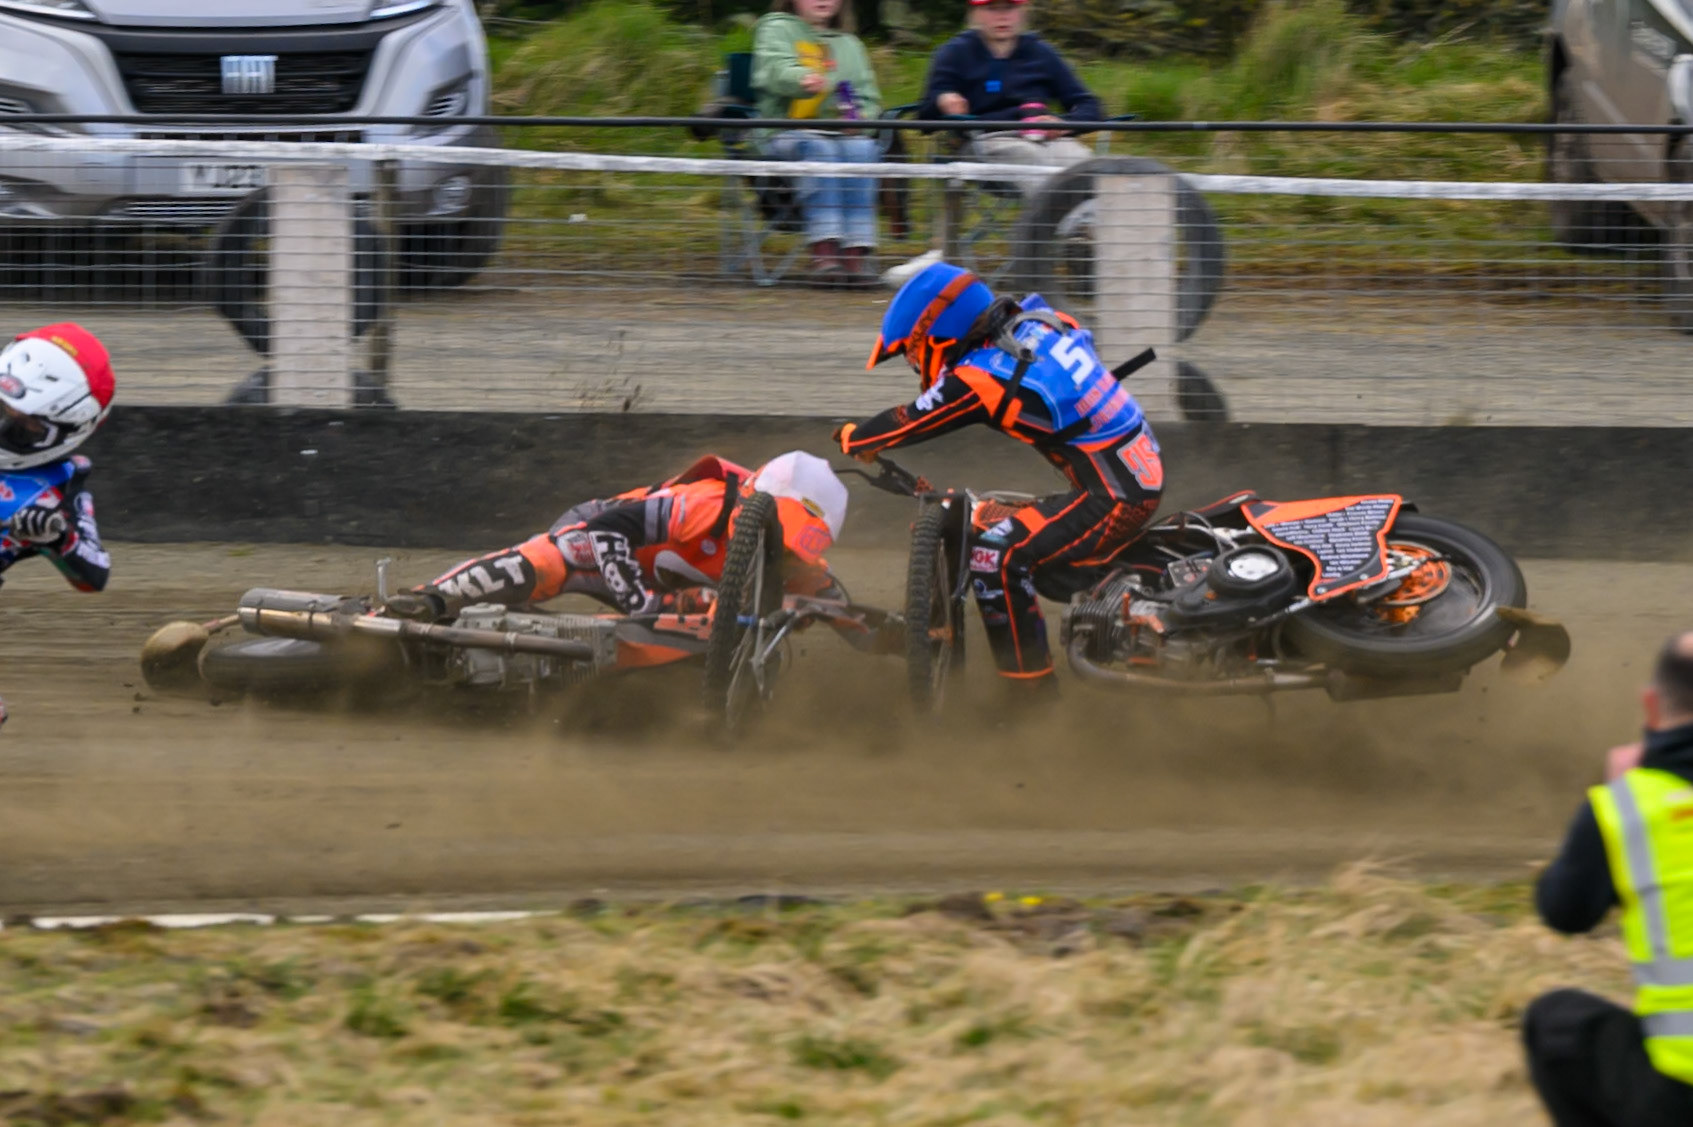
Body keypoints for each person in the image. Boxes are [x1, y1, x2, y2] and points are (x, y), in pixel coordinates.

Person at [834, 260, 1160, 693]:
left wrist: (856, 437)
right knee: (985, 519)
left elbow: (910, 420)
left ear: (939, 335)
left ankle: (1031, 694)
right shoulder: (1041, 321)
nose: (915, 365)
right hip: (1129, 469)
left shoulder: (982, 376)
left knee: (996, 556)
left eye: (914, 353)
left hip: (1115, 495)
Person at [1525, 631, 1693, 1126]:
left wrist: (1623, 794)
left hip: (1680, 1091)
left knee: (1555, 1023)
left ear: (1651, 707)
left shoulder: (1630, 809)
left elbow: (1564, 912)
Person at [384, 451, 853, 623]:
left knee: (710, 618)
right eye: (783, 531)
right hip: (601, 539)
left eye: (798, 544)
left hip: (661, 597)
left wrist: (894, 635)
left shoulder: (804, 567)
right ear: (754, 500)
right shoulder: (706, 504)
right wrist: (642, 605)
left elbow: (849, 614)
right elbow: (606, 530)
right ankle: (429, 601)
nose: (784, 550)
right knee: (554, 556)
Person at [0, 323, 116, 730]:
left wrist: (58, 537)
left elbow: (95, 575)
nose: (7, 426)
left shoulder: (60, 495)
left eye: (25, 425)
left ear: (68, 429)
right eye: (4, 412)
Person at [753, 0, 884, 286]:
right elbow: (775, 69)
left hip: (841, 135)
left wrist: (861, 118)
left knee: (864, 149)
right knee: (821, 149)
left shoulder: (851, 45)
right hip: (784, 133)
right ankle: (824, 254)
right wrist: (801, 78)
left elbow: (869, 98)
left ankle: (855, 256)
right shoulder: (776, 28)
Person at [919, 0, 1102, 194]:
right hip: (985, 140)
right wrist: (943, 101)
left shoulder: (1041, 52)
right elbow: (925, 116)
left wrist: (1063, 124)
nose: (1002, 16)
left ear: (1023, 11)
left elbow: (1088, 105)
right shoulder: (954, 53)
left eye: (1009, 7)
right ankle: (1060, 213)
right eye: (992, 8)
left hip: (1045, 138)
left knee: (1082, 162)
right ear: (974, 13)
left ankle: (1093, 212)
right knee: (1028, 159)